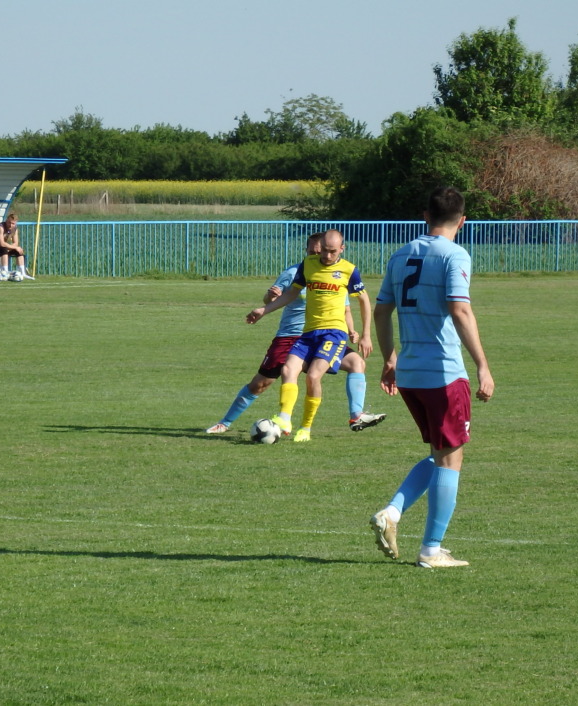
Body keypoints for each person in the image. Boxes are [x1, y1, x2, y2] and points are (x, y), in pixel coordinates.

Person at [368, 186, 495, 569]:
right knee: (451, 459)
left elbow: (380, 311)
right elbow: (460, 310)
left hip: (410, 372)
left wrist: (390, 358)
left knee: (440, 453)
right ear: (463, 220)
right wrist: (483, 365)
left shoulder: (401, 253)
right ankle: (431, 550)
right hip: (443, 372)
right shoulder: (454, 254)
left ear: (425, 215)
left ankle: (393, 512)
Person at [207, 233, 384, 435]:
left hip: (328, 335)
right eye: (316, 252)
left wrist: (354, 331)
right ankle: (226, 422)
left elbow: (345, 307)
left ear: (340, 249)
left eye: (327, 251)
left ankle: (347, 417)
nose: (323, 256)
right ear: (307, 251)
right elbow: (274, 297)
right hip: (292, 337)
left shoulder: (343, 271)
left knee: (356, 363)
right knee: (261, 383)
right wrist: (266, 305)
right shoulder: (297, 270)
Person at [0, 213, 33, 280]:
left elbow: (16, 243)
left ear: (16, 223)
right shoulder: (0, 227)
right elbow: (1, 243)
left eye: (13, 223)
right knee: (4, 249)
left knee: (18, 251)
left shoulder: (15, 229)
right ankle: (4, 273)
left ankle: (22, 273)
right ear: (6, 220)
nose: (10, 225)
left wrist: (14, 248)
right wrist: (12, 247)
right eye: (9, 222)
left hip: (1, 247)